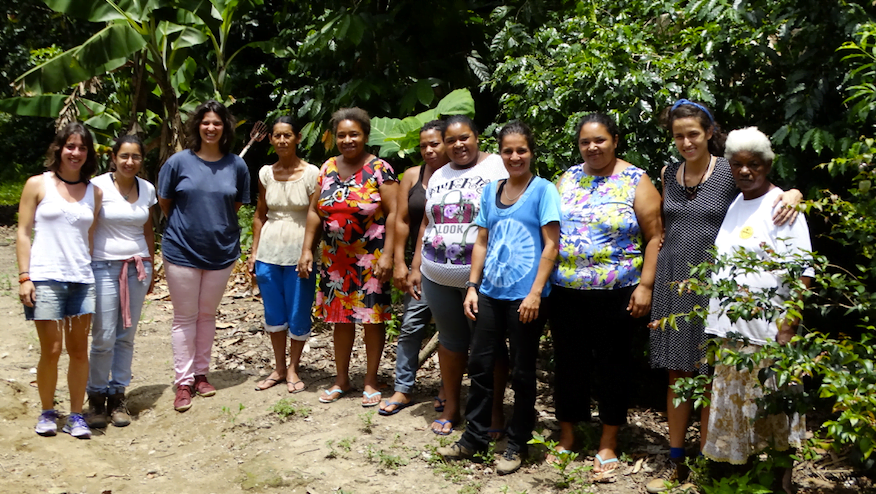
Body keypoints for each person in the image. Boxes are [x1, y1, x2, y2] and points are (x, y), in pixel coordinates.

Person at [646, 100, 802, 492]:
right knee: (677, 373)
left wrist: (795, 194)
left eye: (693, 134)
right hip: (675, 279)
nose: (686, 141)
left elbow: (765, 192)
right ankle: (676, 458)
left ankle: (709, 459)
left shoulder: (729, 171)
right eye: (679, 135)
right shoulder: (668, 172)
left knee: (711, 377)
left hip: (716, 288)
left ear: (709, 133)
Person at [437, 121, 560, 475]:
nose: (515, 156)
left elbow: (551, 244)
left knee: (521, 371)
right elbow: (481, 242)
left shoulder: (543, 190)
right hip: (490, 292)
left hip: (526, 297)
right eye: (508, 150)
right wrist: (472, 286)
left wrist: (536, 292)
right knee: (481, 366)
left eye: (521, 150)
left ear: (531, 152)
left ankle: (517, 441)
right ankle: (474, 437)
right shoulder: (491, 191)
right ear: (500, 153)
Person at [548, 113, 663, 478]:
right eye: (585, 142)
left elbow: (656, 236)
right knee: (568, 363)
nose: (592, 147)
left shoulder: (635, 180)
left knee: (614, 365)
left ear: (614, 140)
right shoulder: (567, 178)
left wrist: (646, 285)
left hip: (618, 291)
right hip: (566, 290)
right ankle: (568, 435)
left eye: (599, 140)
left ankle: (608, 440)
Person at [702, 127, 811, 494]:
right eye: (738, 165)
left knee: (776, 414)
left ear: (767, 164)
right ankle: (740, 481)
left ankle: (781, 484)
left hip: (768, 335)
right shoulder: (737, 201)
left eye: (754, 164)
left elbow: (802, 273)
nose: (746, 171)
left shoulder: (783, 205)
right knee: (740, 414)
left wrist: (787, 329)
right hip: (733, 333)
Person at [408, 114, 510, 436]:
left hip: (482, 279)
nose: (458, 145)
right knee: (450, 344)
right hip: (436, 275)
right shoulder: (438, 174)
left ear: (477, 136)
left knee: (489, 346)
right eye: (451, 140)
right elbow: (427, 221)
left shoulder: (497, 167)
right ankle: (452, 405)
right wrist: (415, 265)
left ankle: (493, 411)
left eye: (464, 137)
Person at [298, 108, 398, 407]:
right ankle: (341, 379)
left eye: (354, 134)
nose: (347, 140)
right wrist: (307, 249)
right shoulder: (327, 167)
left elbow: (395, 214)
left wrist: (389, 256)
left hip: (371, 257)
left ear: (365, 136)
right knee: (340, 320)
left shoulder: (381, 169)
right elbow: (316, 211)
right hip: (335, 259)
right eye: (341, 135)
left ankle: (370, 380)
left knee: (371, 319)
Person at [158, 100, 251, 412]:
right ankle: (182, 383)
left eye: (217, 123)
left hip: (221, 252)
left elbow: (233, 205)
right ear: (197, 125)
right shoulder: (178, 163)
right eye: (206, 122)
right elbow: (166, 201)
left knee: (208, 315)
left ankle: (201, 374)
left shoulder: (237, 166)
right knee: (185, 317)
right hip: (181, 249)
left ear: (225, 128)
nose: (211, 128)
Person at [17, 122, 103, 438]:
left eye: (82, 147)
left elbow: (90, 239)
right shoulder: (37, 185)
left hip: (81, 279)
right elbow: (23, 233)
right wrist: (25, 277)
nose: (75, 153)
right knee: (51, 350)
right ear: (59, 148)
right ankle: (47, 412)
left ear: (88, 154)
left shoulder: (95, 192)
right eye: (70, 146)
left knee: (80, 351)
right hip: (44, 277)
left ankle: (76, 415)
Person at [85, 135, 156, 428]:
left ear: (141, 160)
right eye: (124, 156)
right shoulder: (98, 186)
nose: (130, 162)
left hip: (137, 268)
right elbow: (88, 227)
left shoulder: (147, 188)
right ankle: (96, 397)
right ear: (113, 157)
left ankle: (118, 396)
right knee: (103, 336)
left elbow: (149, 229)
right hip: (102, 266)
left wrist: (151, 266)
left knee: (126, 335)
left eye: (135, 157)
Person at [379, 120, 449, 416]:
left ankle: (448, 388)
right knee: (410, 327)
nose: (429, 150)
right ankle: (403, 388)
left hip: (455, 265)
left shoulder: (462, 174)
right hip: (421, 265)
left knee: (452, 332)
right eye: (423, 145)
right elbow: (401, 219)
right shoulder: (411, 175)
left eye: (435, 144)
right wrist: (399, 262)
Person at [248, 116, 319, 394]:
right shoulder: (266, 173)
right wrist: (253, 253)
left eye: (287, 135)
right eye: (276, 135)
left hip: (299, 251)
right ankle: (278, 367)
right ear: (270, 139)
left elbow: (315, 215)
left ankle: (294, 368)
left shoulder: (312, 173)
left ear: (297, 138)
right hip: (269, 249)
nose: (282, 140)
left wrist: (308, 251)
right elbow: (259, 215)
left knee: (299, 310)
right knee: (273, 311)